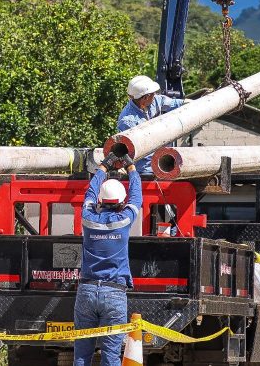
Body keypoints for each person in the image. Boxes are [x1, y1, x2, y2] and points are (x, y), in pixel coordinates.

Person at [74, 152, 142, 366]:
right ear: (121, 202)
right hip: (114, 293)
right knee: (111, 356)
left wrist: (103, 167)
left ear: (101, 201)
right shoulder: (123, 221)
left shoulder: (88, 219)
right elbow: (137, 198)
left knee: (81, 355)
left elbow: (90, 194)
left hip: (86, 291)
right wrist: (131, 168)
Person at [117, 75, 190, 174]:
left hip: (166, 161)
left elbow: (176, 103)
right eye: (152, 93)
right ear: (145, 97)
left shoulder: (155, 101)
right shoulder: (128, 121)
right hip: (145, 169)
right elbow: (135, 150)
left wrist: (194, 103)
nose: (155, 94)